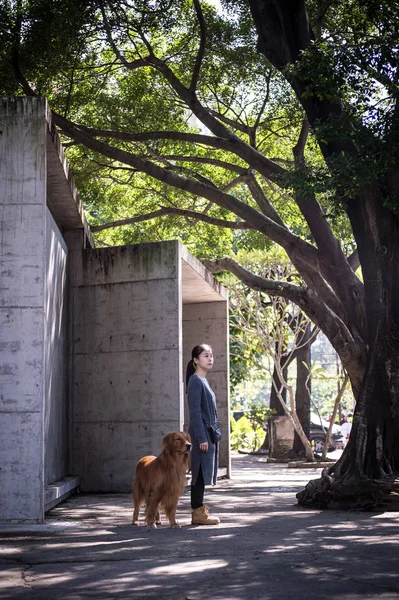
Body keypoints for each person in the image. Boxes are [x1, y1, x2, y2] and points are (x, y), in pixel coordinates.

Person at [186, 343, 220, 526]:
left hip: (209, 435)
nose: (210, 359)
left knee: (201, 473)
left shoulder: (203, 381)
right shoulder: (195, 381)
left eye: (211, 355)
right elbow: (195, 413)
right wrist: (201, 438)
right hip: (202, 435)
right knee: (198, 473)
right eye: (206, 356)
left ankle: (199, 510)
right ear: (196, 360)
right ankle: (197, 511)